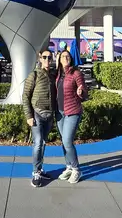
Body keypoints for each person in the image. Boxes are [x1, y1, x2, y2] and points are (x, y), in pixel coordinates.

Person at [22, 49, 56, 188]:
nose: (47, 60)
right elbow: (25, 96)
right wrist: (28, 115)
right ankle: (35, 172)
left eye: (49, 57)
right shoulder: (34, 75)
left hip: (49, 115)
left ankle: (40, 169)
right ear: (40, 59)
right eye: (44, 57)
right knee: (38, 143)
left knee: (43, 143)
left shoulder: (53, 76)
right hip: (37, 114)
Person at [56, 49, 87, 184]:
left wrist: (81, 91)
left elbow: (84, 91)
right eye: (63, 56)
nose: (65, 58)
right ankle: (68, 166)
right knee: (63, 142)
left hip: (72, 111)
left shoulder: (76, 73)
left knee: (67, 141)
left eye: (67, 56)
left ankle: (76, 169)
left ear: (71, 58)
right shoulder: (58, 74)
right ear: (59, 59)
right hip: (60, 112)